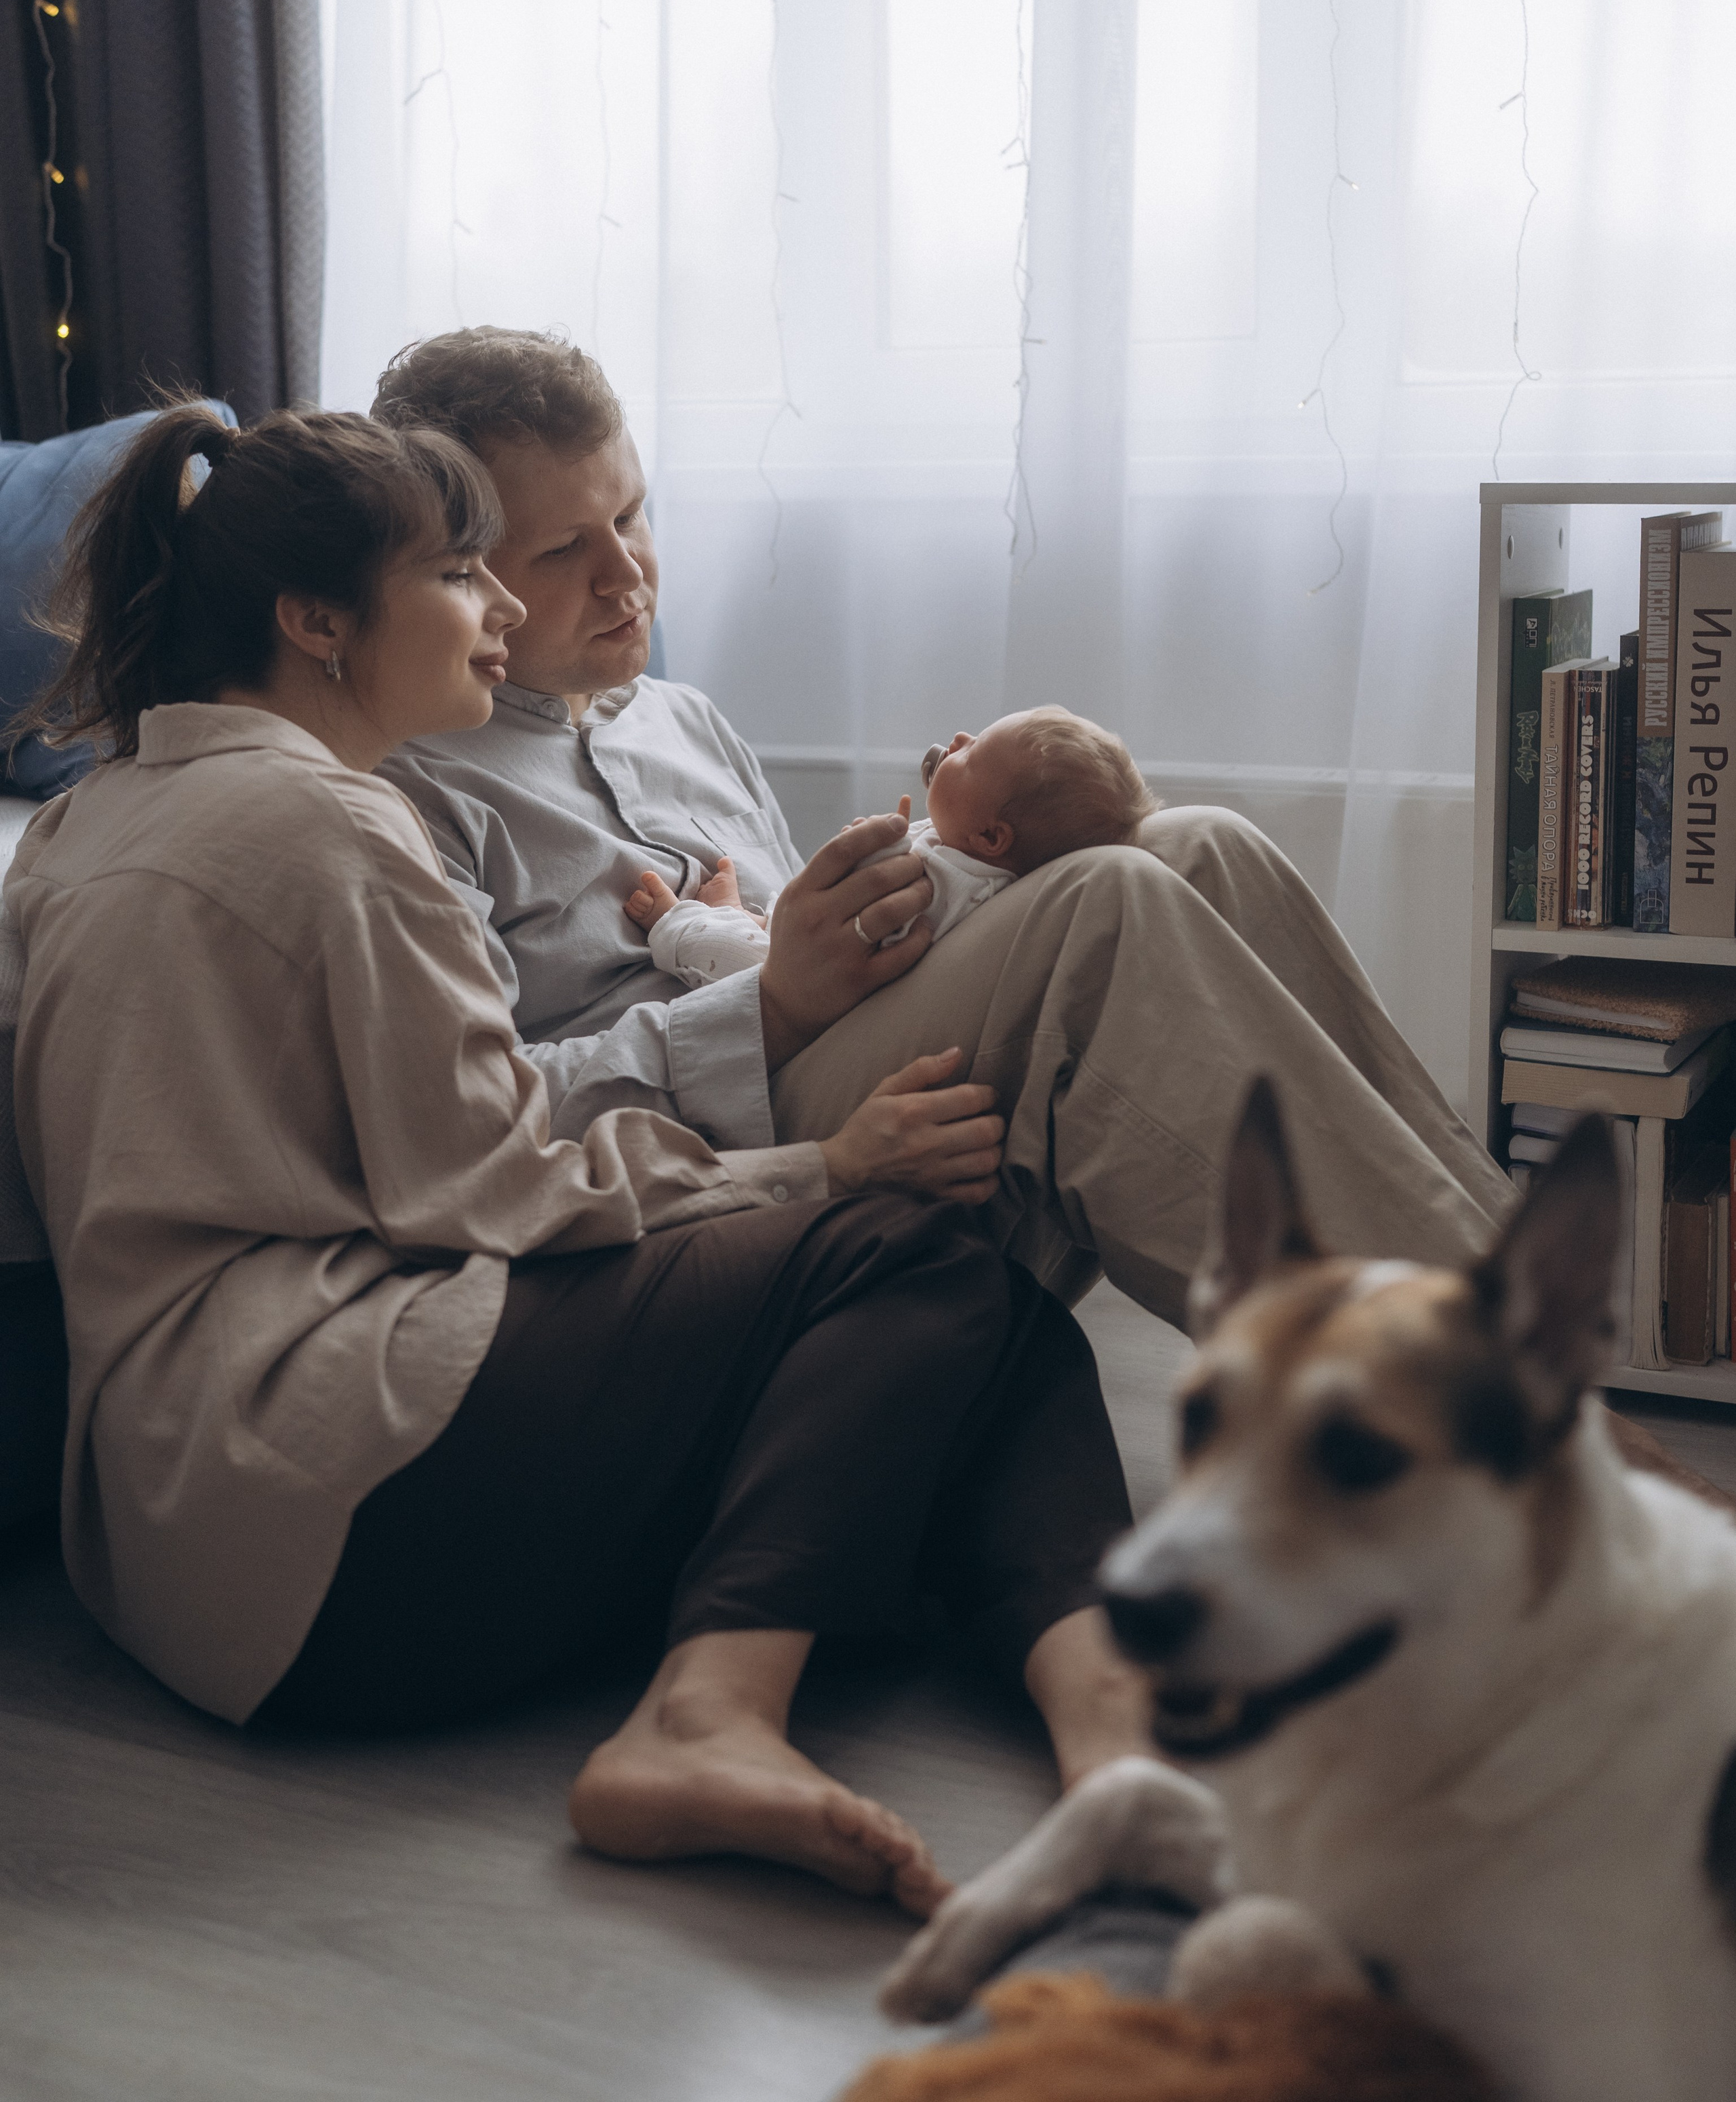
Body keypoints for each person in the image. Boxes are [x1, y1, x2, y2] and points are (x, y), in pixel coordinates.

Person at [5, 401, 1160, 1913]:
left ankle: (1115, 1734)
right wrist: (821, 1171)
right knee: (911, 1253)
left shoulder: (88, 821)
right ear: (316, 622)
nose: (500, 609)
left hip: (182, 1556)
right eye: (460, 573)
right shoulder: (339, 832)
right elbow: (491, 1188)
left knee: (981, 1330)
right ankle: (708, 1718)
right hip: (334, 1497)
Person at [373, 328, 1519, 1326]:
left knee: (1201, 844)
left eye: (633, 515)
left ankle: (1520, 1309)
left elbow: (790, 943)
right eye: (566, 549)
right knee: (1102, 907)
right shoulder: (411, 792)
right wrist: (772, 1002)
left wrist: (848, 926)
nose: (628, 574)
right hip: (715, 1149)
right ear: (460, 567)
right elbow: (492, 1117)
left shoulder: (687, 722)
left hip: (837, 1044)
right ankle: (1476, 1406)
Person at [621, 707, 1158, 985]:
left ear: (991, 838)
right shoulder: (974, 856)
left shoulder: (949, 885)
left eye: (971, 757)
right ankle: (743, 918)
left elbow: (859, 940)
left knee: (735, 961)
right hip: (813, 958)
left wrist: (867, 858)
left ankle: (682, 925)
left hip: (817, 998)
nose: (959, 742)